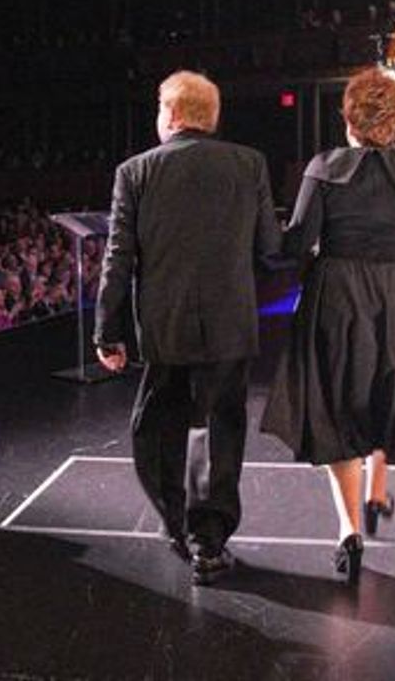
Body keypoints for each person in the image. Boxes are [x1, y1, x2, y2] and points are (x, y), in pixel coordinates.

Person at [262, 67, 395, 584]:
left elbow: (297, 242)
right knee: (387, 390)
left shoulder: (324, 167)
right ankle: (378, 491)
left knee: (340, 403)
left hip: (339, 292)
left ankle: (350, 529)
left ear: (348, 115)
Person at [93, 70, 281, 586]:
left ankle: (177, 523)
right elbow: (271, 248)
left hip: (165, 326)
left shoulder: (134, 172)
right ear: (209, 116)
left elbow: (118, 259)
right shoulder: (249, 164)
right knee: (220, 428)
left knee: (154, 428)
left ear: (172, 115)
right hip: (230, 325)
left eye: (159, 108)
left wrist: (107, 332)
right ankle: (210, 539)